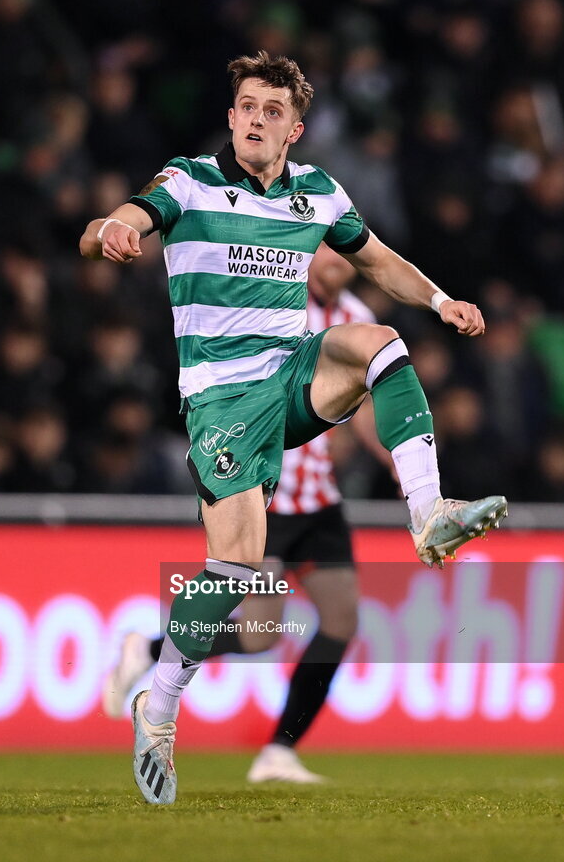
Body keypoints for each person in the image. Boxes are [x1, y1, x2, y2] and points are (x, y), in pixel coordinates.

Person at [80, 50, 507, 806]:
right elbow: (125, 217)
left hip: (293, 376)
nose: (254, 119)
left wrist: (441, 301)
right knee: (237, 571)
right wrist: (109, 230)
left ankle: (429, 512)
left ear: (294, 129)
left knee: (379, 341)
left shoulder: (317, 193)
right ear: (232, 115)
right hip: (222, 401)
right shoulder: (188, 181)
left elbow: (376, 260)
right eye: (246, 106)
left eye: (271, 111)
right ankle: (161, 702)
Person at [101, 246, 392, 783]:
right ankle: (148, 650)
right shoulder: (274, 307)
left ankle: (279, 750)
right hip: (267, 491)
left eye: (343, 254)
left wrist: (390, 453)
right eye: (325, 250)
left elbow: (367, 405)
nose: (335, 263)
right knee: (259, 632)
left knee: (342, 619)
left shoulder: (359, 319)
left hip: (319, 497)